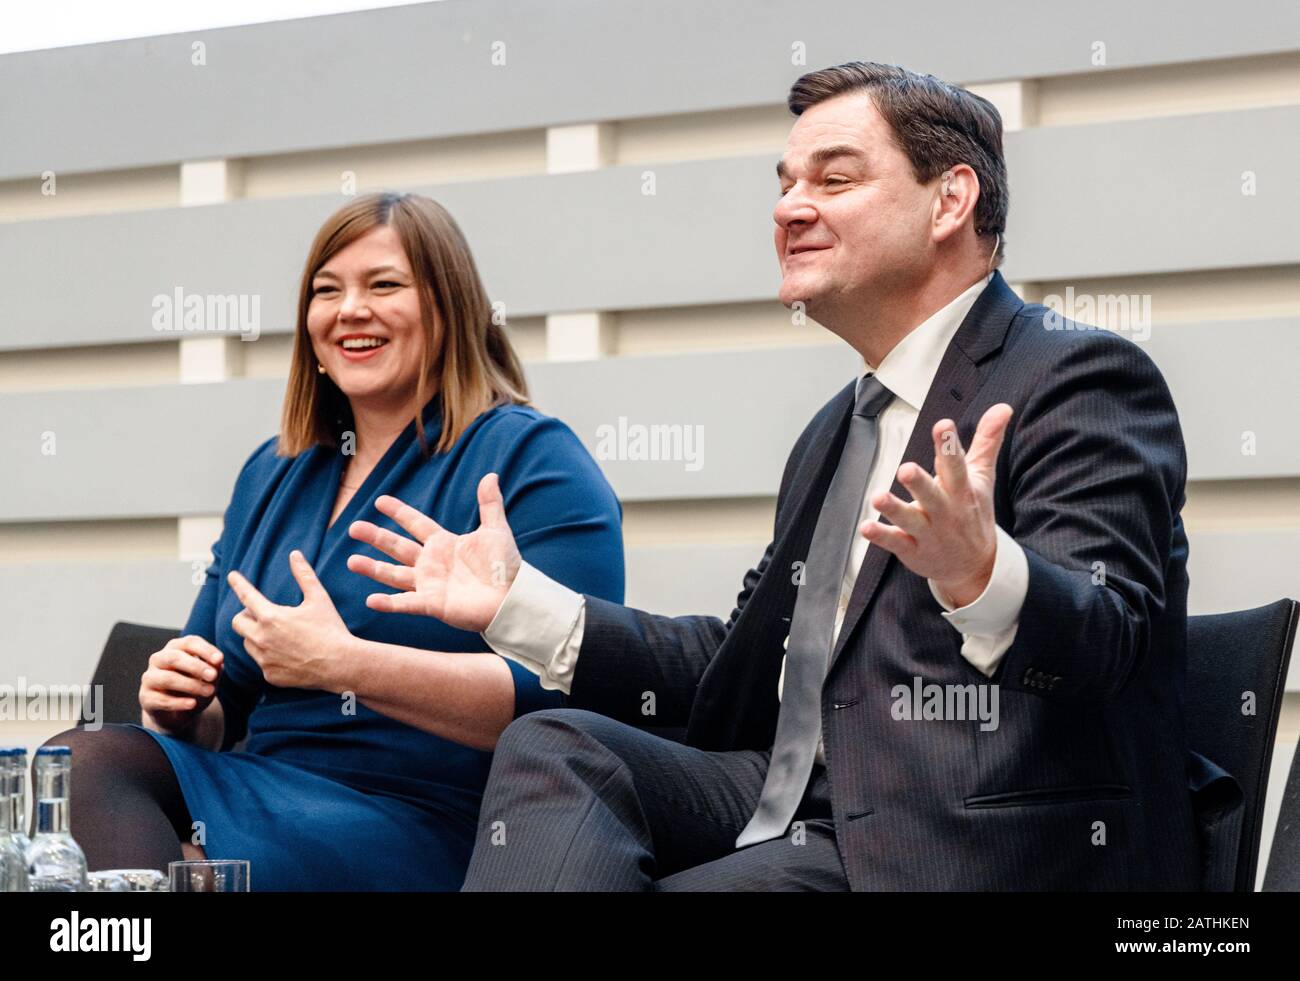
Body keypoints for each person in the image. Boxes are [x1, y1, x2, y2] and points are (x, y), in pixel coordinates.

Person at [350, 63, 1200, 891]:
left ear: (951, 200)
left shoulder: (1080, 376)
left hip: (970, 835)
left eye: (834, 180)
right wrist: (519, 606)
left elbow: (1108, 637)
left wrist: (980, 574)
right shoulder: (838, 427)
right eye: (786, 182)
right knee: (555, 744)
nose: (790, 207)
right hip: (793, 804)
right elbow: (739, 666)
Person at [43, 191, 624, 891]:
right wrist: (182, 703)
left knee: (177, 875)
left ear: (449, 307)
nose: (350, 309)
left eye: (384, 285)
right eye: (327, 290)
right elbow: (222, 697)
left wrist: (346, 663)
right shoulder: (274, 470)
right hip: (263, 783)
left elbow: (561, 696)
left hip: (434, 817)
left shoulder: (533, 458)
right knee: (77, 767)